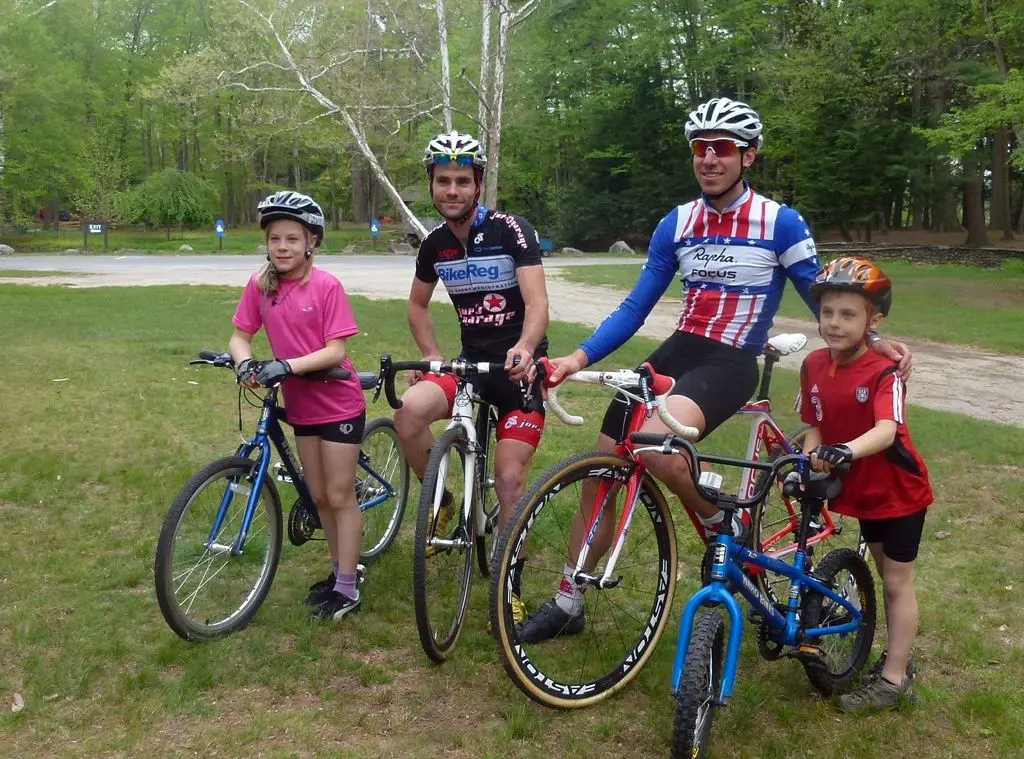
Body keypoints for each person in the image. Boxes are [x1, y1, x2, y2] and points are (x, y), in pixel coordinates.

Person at [520, 96, 912, 643]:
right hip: (679, 348)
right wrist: (577, 358)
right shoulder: (677, 223)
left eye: (722, 148)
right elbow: (635, 307)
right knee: (603, 471)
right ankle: (569, 598)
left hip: (730, 359)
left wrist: (874, 341)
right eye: (700, 149)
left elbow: (828, 296)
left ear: (747, 156)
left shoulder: (780, 222)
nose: (709, 158)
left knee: (655, 444)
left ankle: (718, 519)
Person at [393, 131, 551, 621]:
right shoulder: (435, 244)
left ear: (478, 185)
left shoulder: (510, 230)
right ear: (432, 185)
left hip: (518, 371)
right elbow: (417, 306)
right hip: (470, 366)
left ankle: (509, 584)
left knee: (507, 479)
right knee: (408, 413)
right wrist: (432, 355)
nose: (453, 190)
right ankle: (441, 503)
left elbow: (539, 302)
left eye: (463, 181)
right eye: (444, 181)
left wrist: (526, 347)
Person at [796, 257, 932, 712]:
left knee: (896, 582)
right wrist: (814, 452)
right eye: (828, 312)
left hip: (897, 491)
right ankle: (894, 657)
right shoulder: (813, 364)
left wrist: (845, 451)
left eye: (849, 314)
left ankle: (894, 679)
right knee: (880, 570)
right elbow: (812, 422)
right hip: (860, 491)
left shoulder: (883, 370)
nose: (835, 323)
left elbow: (887, 430)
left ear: (873, 321)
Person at [229, 190, 366, 622]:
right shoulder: (259, 286)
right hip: (302, 405)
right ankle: (337, 572)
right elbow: (239, 335)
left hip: (339, 402)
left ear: (312, 242)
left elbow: (334, 350)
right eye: (275, 239)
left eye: (292, 238)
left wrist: (285, 364)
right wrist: (245, 363)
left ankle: (349, 587)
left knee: (341, 495)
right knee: (319, 495)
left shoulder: (326, 286)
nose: (282, 247)